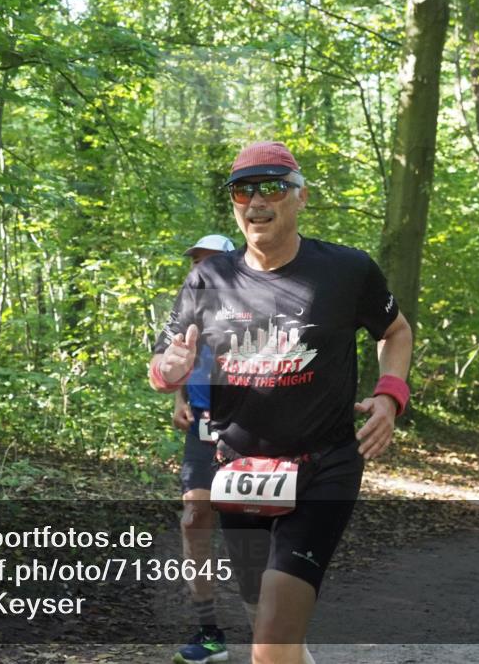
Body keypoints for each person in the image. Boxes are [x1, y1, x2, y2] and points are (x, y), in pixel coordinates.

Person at [149, 142, 413, 664]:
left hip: (323, 468)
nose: (256, 202)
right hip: (238, 471)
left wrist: (390, 395)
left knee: (269, 644)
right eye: (242, 191)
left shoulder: (347, 271)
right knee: (266, 623)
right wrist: (169, 373)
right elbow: (163, 364)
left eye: (272, 187)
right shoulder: (209, 278)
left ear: (300, 197)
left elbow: (396, 331)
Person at [172, 234, 236, 664]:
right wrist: (178, 397)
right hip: (200, 428)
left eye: (210, 261)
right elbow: (175, 358)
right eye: (197, 262)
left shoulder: (254, 305)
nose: (201, 269)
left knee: (254, 529)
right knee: (195, 517)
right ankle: (208, 629)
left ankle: (278, 623)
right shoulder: (188, 307)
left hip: (251, 430)